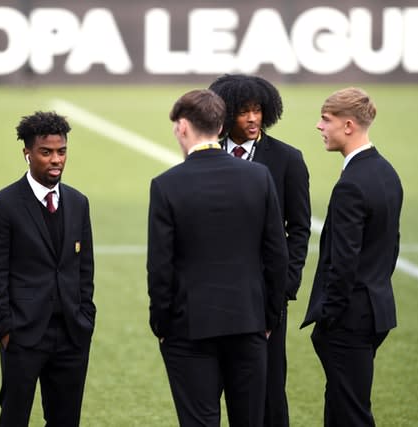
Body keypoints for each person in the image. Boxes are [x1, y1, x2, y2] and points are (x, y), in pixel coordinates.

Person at [147, 89, 289, 426]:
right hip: (248, 324)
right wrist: (268, 319)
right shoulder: (259, 177)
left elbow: (160, 267)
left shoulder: (167, 185)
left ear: (183, 127)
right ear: (221, 124)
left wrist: (161, 325)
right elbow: (276, 255)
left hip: (189, 329)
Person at [209, 74, 311, 427]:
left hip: (265, 298)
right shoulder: (205, 158)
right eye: (243, 111)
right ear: (224, 114)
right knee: (211, 393)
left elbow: (299, 229)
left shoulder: (287, 159)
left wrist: (284, 287)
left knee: (268, 393)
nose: (253, 119)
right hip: (214, 297)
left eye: (258, 110)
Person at [0, 111, 96, 427]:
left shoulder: (78, 202)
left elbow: (84, 269)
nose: (55, 159)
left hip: (72, 334)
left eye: (61, 152)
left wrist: (85, 317)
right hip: (23, 335)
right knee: (14, 418)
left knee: (65, 420)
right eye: (46, 152)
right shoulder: (3, 205)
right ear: (27, 153)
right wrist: (5, 330)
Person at [300, 87, 403, 426]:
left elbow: (342, 262)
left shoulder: (351, 185)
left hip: (349, 320)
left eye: (325, 119)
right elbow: (392, 245)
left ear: (347, 126)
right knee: (342, 405)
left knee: (351, 414)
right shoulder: (387, 172)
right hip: (376, 310)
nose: (319, 126)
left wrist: (329, 317)